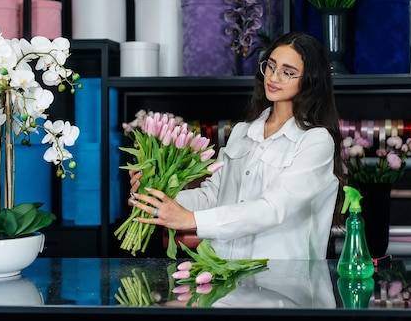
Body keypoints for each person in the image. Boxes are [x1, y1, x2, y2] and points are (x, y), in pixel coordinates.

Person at [128, 32, 346, 260]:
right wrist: (157, 196)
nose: (274, 77)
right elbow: (213, 195)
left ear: (310, 81)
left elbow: (273, 208)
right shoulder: (243, 132)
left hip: (284, 283)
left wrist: (189, 220)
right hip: (226, 277)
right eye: (271, 67)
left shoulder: (316, 140)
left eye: (287, 72)